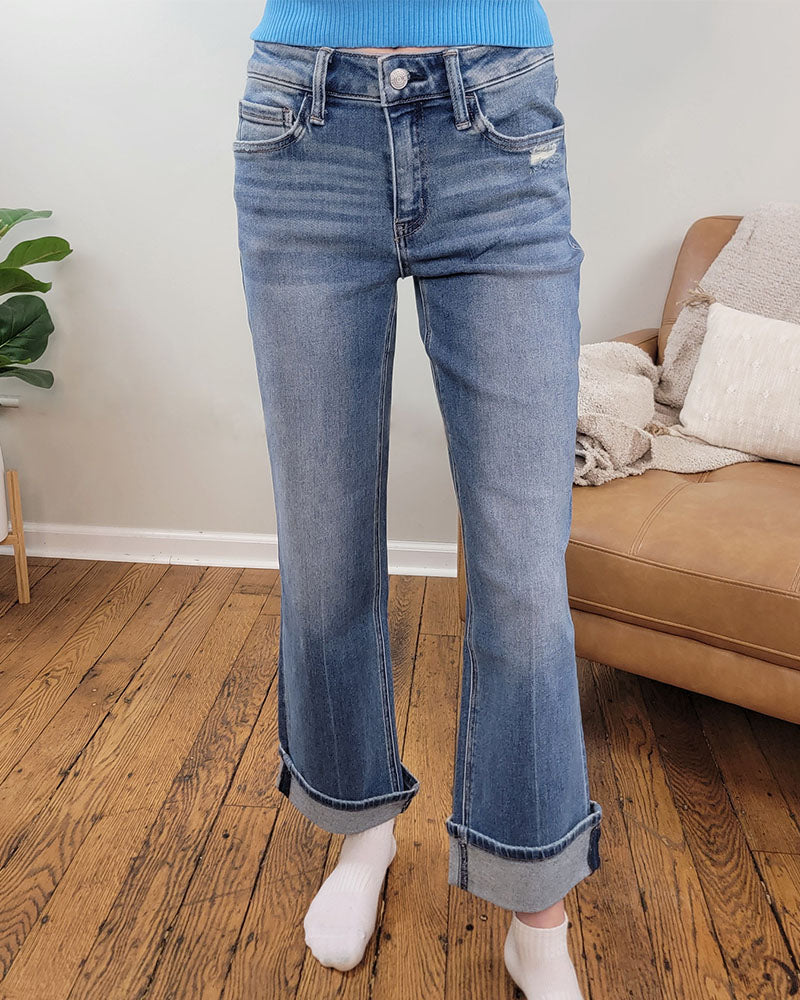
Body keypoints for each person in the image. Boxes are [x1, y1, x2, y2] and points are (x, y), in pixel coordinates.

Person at [232, 2, 603, 997]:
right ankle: (361, 836)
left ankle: (537, 914)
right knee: (323, 548)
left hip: (496, 120)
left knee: (524, 571)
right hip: (302, 123)